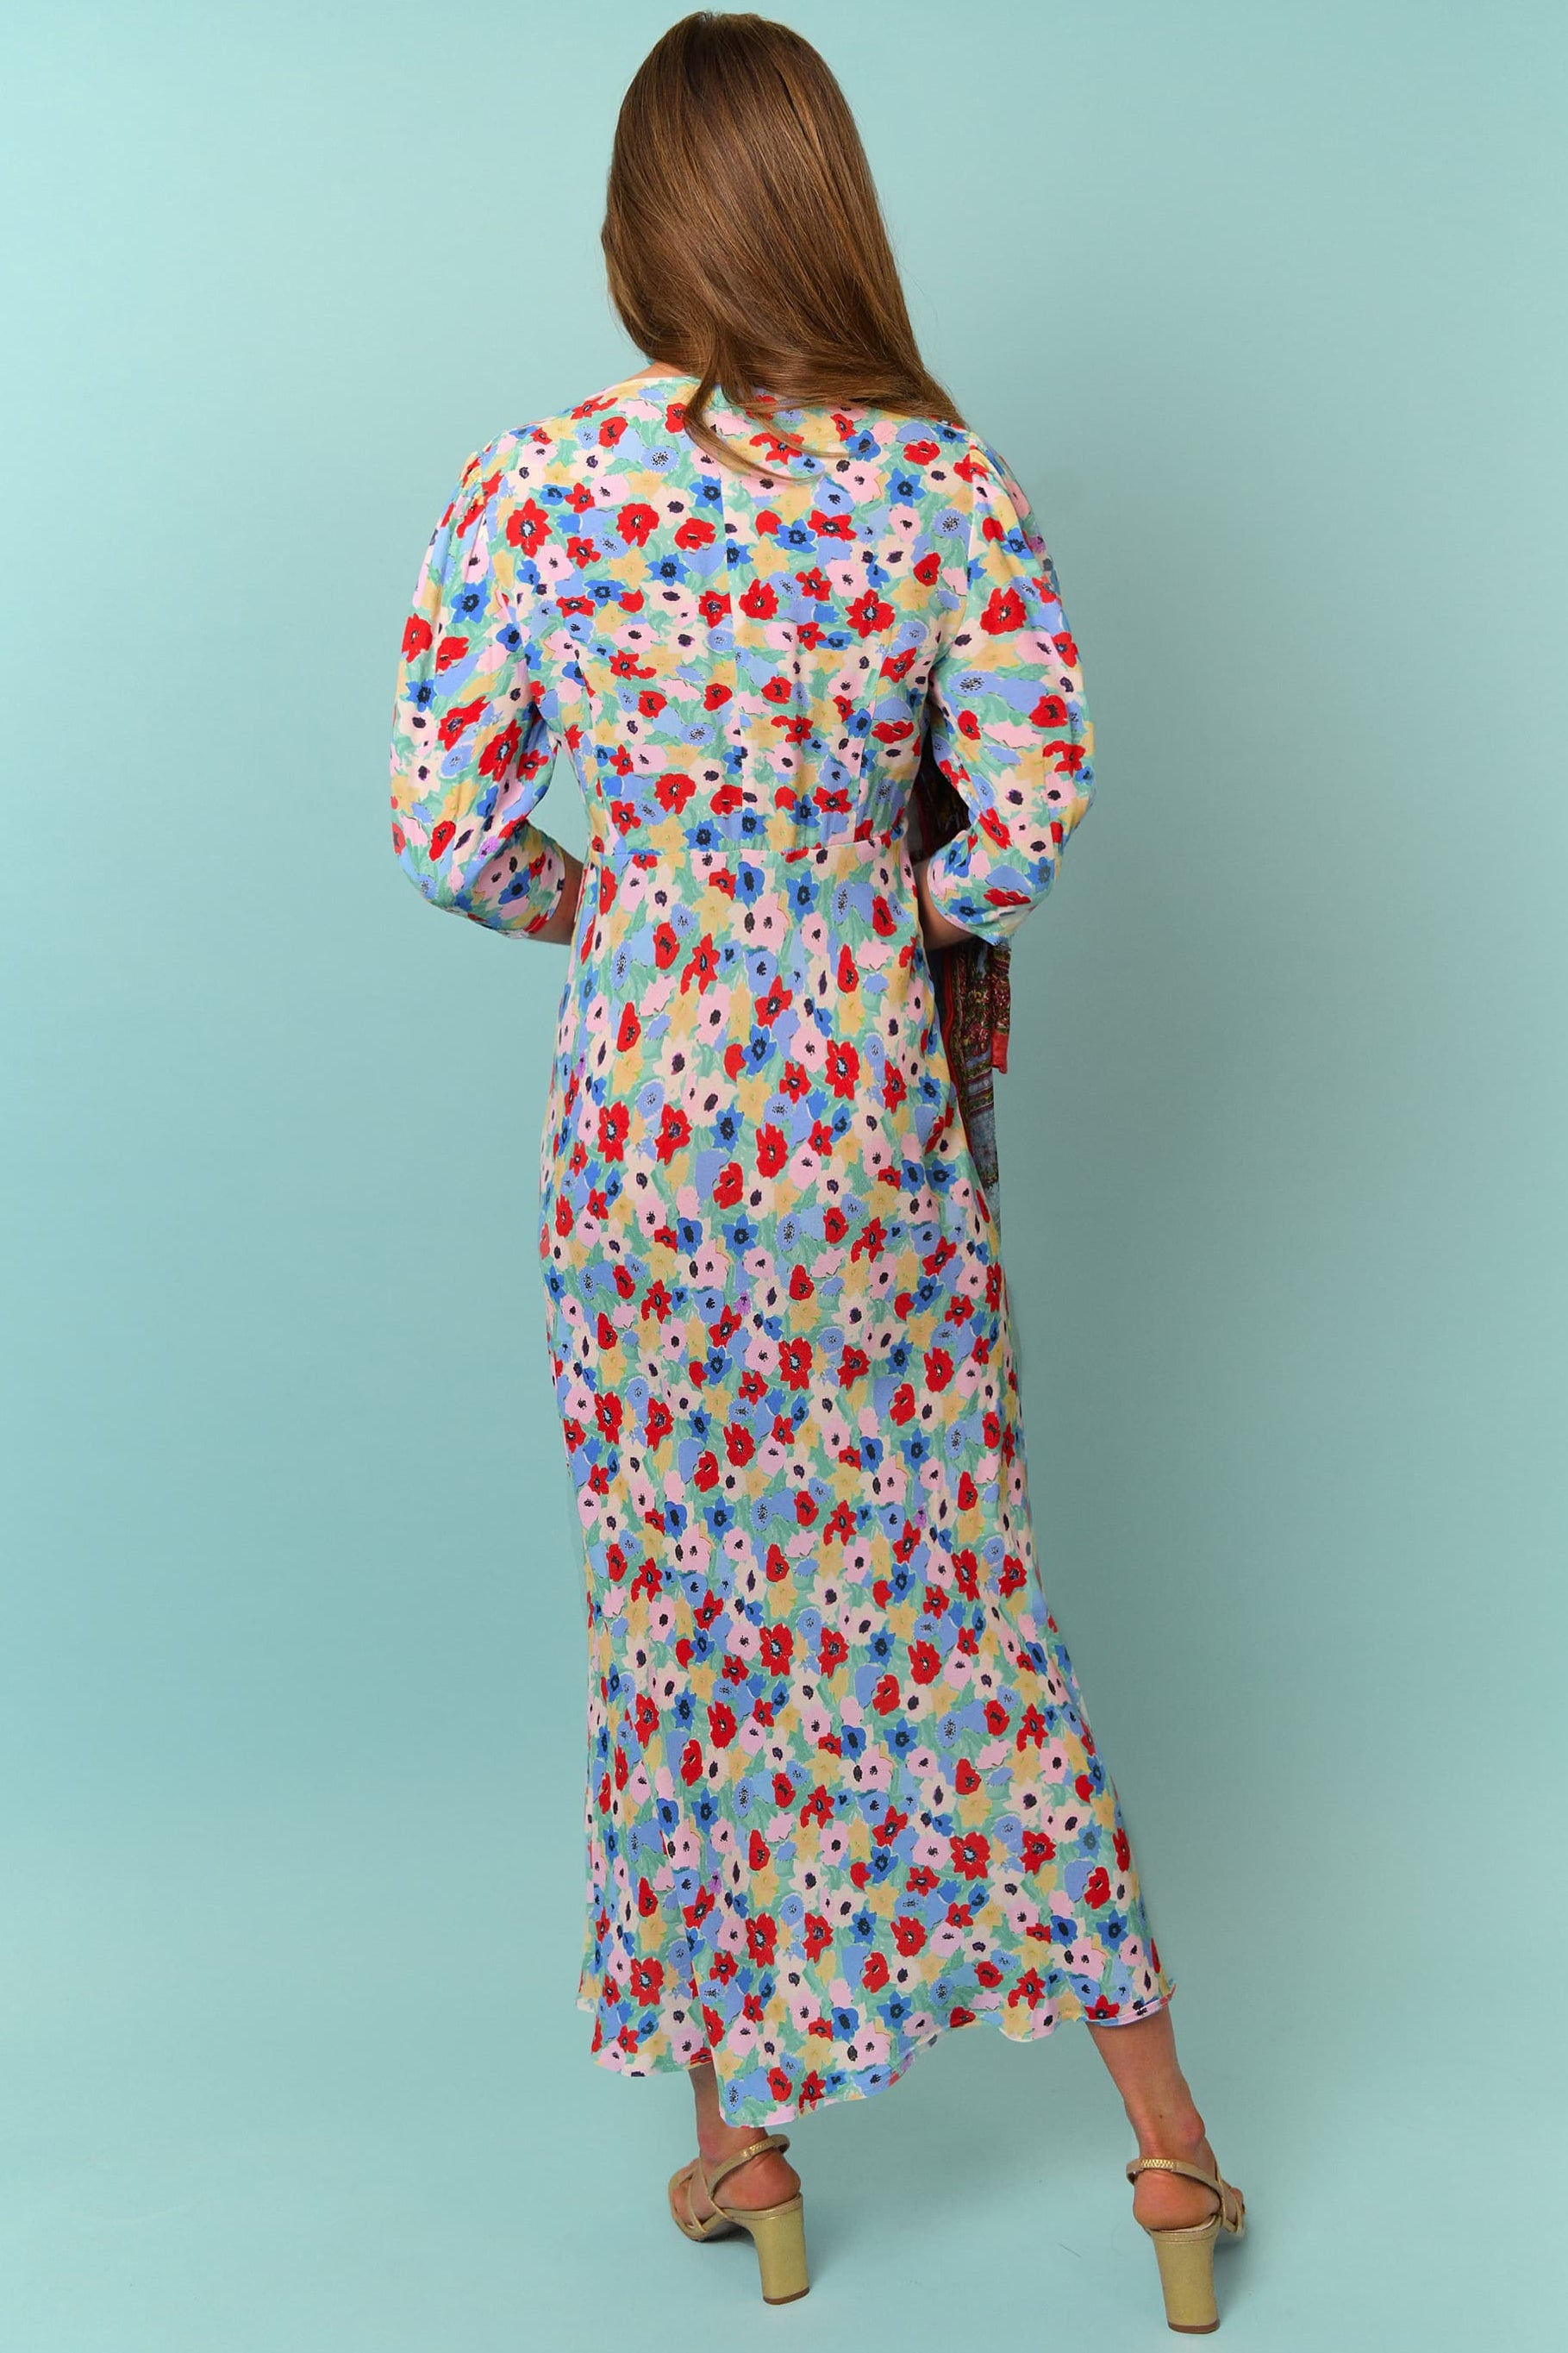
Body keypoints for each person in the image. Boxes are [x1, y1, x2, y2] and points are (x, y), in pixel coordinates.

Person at [387, 9, 1246, 2329]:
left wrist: (637, 907)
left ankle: (747, 2151)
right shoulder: (941, 488)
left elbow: (450, 838)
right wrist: (876, 908)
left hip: (639, 1143)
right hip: (866, 1128)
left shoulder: (530, 485)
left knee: (683, 1616)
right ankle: (1170, 2164)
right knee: (958, 1604)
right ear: (825, 213)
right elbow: (1026, 823)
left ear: (635, 232)